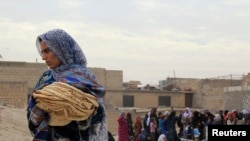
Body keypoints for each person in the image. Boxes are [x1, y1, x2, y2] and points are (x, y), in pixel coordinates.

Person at [26, 29, 107, 141]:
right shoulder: (46, 77)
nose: (43, 57)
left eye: (47, 51)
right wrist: (44, 106)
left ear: (61, 49)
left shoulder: (85, 77)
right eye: (42, 52)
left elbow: (97, 119)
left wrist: (75, 108)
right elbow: (32, 121)